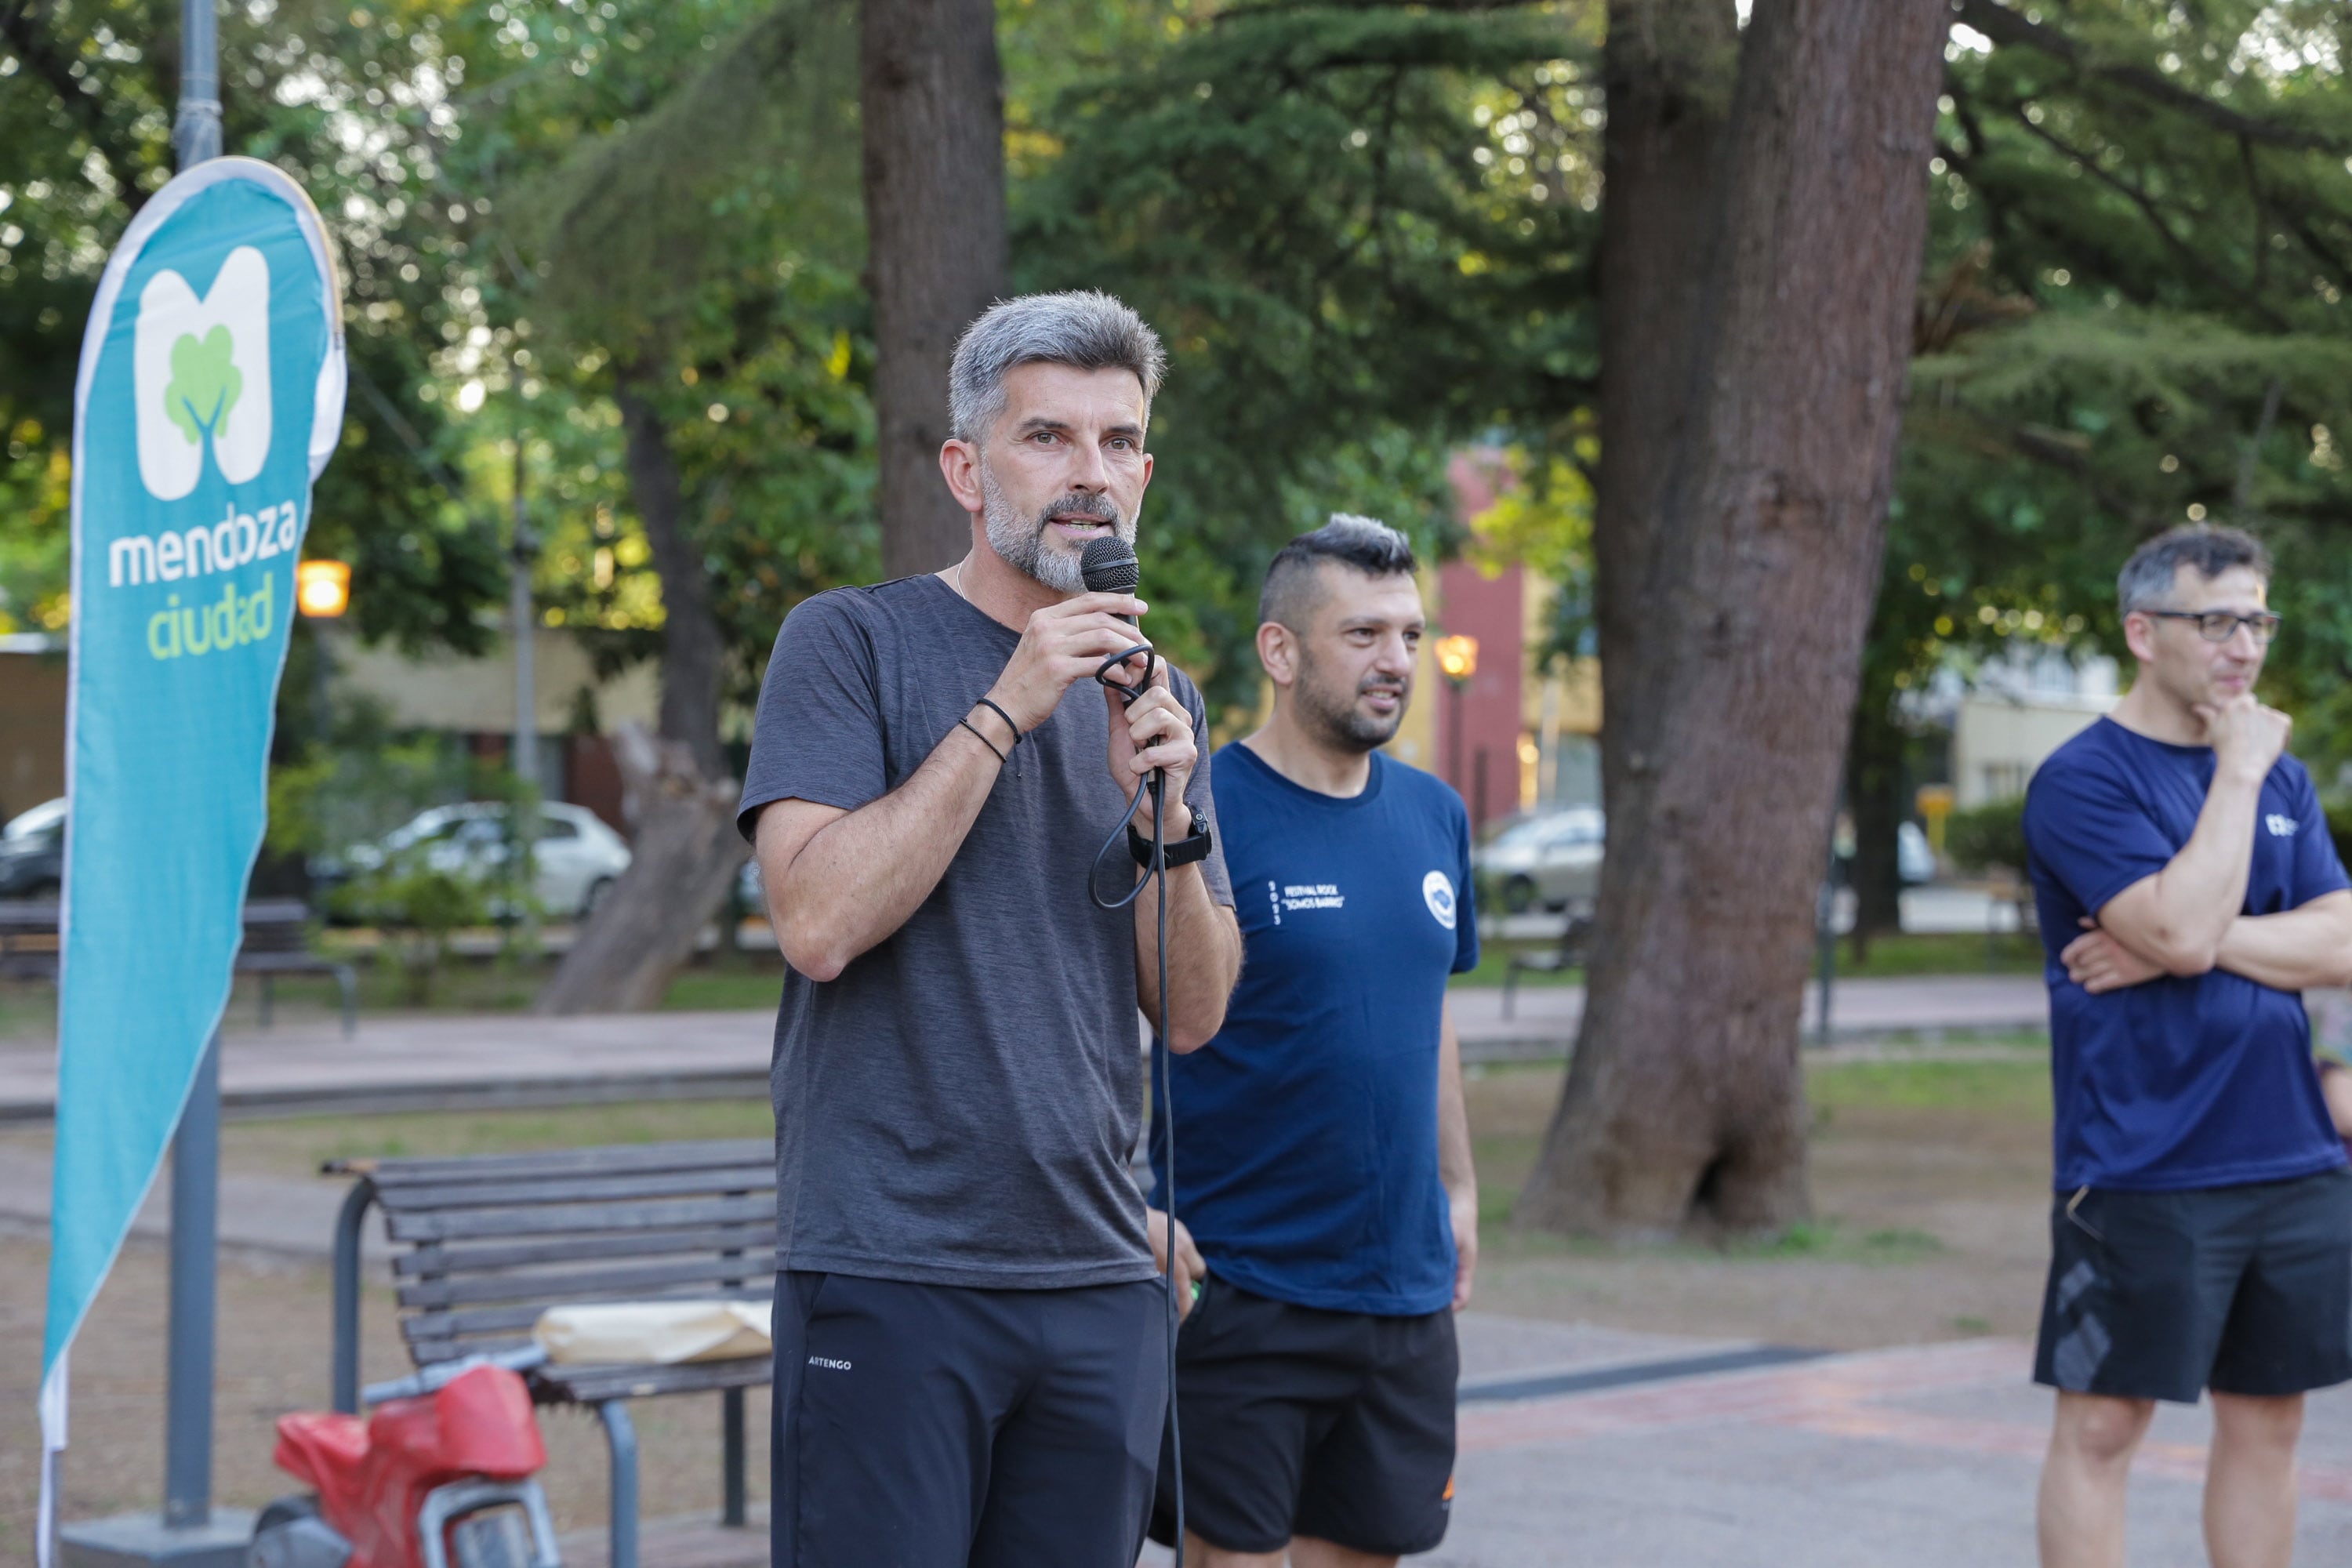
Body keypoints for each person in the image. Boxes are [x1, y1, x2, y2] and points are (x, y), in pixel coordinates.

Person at [739, 290, 1243, 1568]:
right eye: (1050, 438)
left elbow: (1191, 1013)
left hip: (1093, 1282)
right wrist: (1008, 707)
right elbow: (816, 922)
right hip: (891, 1271)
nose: (1093, 474)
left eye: (1120, 442)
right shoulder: (850, 642)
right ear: (968, 468)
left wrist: (1168, 818)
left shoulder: (1156, 690)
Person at [1144, 515, 1479, 1568]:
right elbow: (1114, 1018)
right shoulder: (1202, 810)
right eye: (1365, 634)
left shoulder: (1436, 815)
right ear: (1280, 652)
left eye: (1412, 636)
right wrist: (1132, 1204)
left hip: (1404, 1300)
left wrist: (1461, 1191)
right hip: (1243, 1292)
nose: (1397, 664)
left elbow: (1432, 1016)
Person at [2024, 524, 2352, 1568]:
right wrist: (2238, 780)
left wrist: (2187, 946)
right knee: (2105, 1426)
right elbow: (2170, 925)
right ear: (2141, 631)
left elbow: (2342, 942)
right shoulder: (2084, 781)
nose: (2243, 644)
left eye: (2257, 617)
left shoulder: (2288, 783)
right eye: (2215, 619)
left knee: (2269, 1422)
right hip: (2142, 1160)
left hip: (2292, 1154)